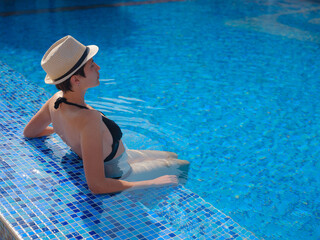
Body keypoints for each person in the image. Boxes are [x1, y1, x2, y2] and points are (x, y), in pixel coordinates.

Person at [23, 35, 189, 194]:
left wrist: (62, 130)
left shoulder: (55, 100)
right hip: (121, 172)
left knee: (171, 156)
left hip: (124, 156)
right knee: (182, 167)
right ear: (76, 80)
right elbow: (97, 185)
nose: (98, 67)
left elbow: (30, 132)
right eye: (91, 65)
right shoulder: (89, 120)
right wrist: (152, 183)